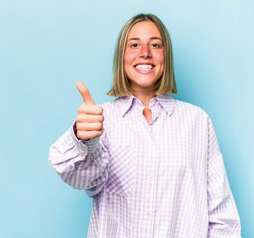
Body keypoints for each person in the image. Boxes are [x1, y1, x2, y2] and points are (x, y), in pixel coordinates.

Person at [48, 13, 241, 238]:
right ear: (122, 56)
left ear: (165, 56)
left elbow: (221, 216)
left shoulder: (198, 121)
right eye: (134, 44)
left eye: (155, 45)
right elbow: (82, 180)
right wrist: (84, 140)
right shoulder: (101, 120)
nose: (145, 53)